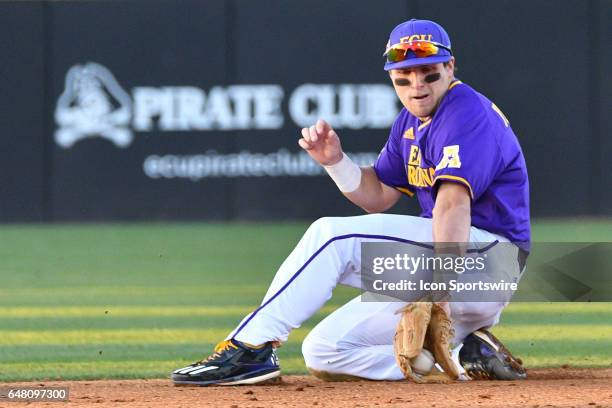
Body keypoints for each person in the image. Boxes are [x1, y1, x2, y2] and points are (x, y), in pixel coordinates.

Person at [171, 18, 530, 386]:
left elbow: (452, 206)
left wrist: (438, 292)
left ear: (450, 66)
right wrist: (335, 163)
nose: (416, 86)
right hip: (463, 269)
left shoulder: (465, 112)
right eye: (403, 77)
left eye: (428, 73)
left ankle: (250, 347)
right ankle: (466, 354)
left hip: (485, 260)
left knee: (330, 236)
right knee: (326, 351)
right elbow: (377, 196)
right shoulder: (410, 122)